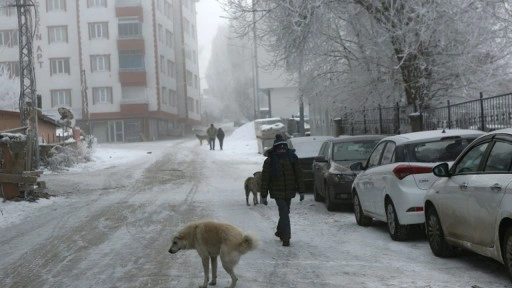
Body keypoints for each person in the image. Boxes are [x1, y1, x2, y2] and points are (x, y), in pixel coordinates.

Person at [260, 134, 305, 247]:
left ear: (286, 147)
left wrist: (302, 190)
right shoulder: (270, 161)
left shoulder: (292, 158)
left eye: (283, 147)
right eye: (279, 148)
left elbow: (298, 175)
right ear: (275, 148)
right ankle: (286, 238)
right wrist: (263, 195)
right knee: (284, 212)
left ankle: (280, 231)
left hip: (289, 191)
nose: (282, 150)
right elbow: (265, 179)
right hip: (277, 192)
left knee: (285, 213)